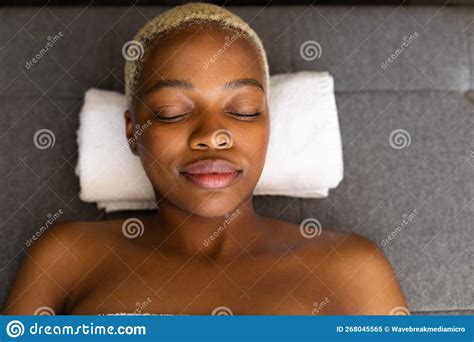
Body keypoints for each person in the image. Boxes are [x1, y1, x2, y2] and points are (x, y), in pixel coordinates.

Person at [2, 2, 407, 315]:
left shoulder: (351, 267)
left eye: (244, 109)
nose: (212, 134)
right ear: (133, 132)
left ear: (268, 125)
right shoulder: (68, 255)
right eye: (173, 112)